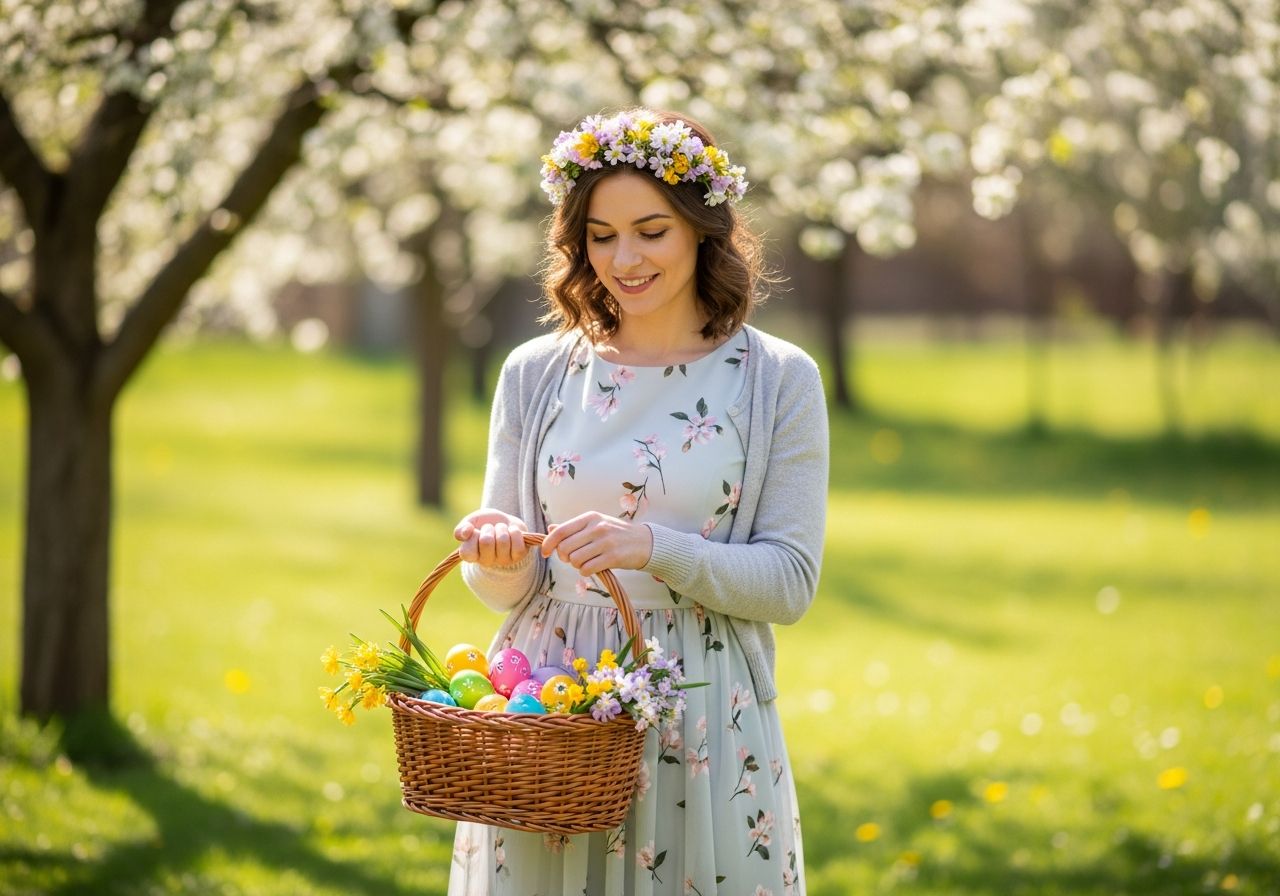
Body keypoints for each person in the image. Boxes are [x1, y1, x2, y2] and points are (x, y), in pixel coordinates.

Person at [448, 108, 829, 896]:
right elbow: (505, 589)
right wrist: (494, 554)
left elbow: (790, 584)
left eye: (652, 231)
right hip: (550, 708)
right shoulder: (535, 372)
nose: (625, 259)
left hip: (704, 709)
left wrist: (655, 549)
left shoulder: (777, 379)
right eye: (602, 235)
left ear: (702, 230)